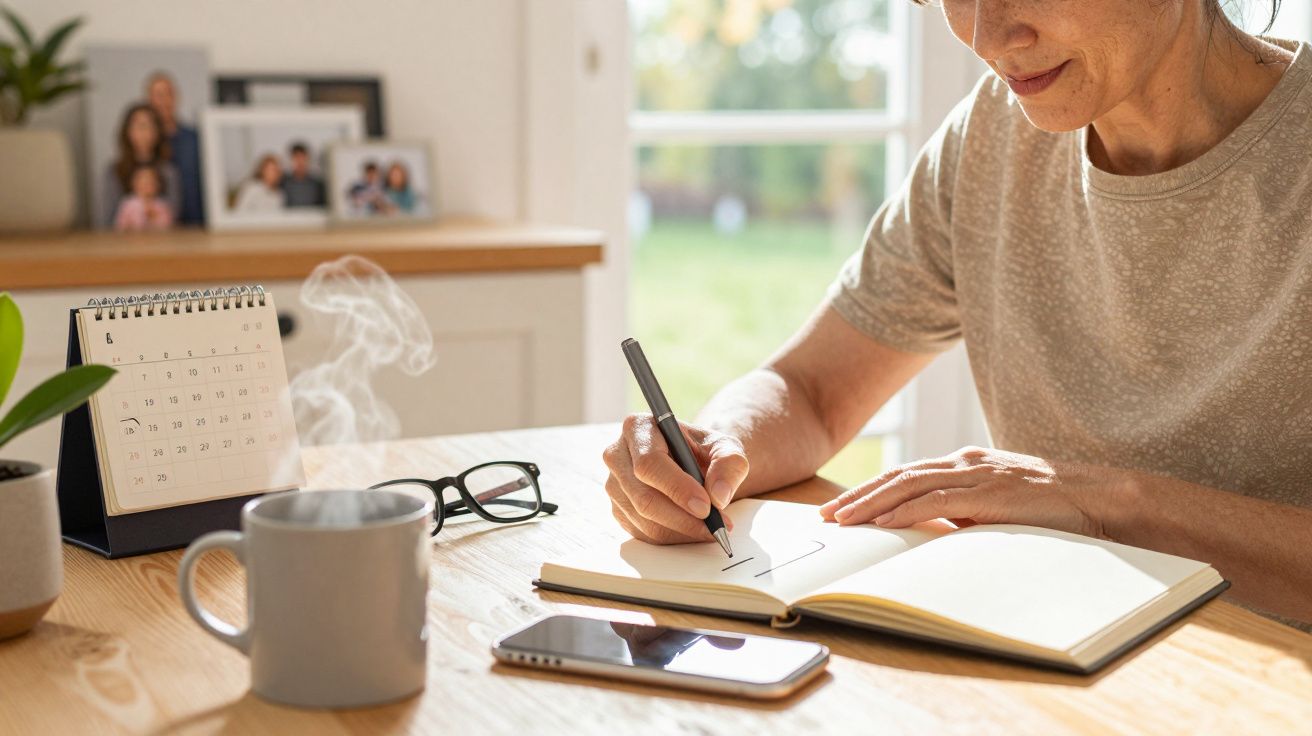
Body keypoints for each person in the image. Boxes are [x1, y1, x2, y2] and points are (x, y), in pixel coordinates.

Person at [602, 0, 1312, 630]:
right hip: (1057, 662)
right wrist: (713, 451)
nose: (986, 33)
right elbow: (813, 390)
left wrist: (1109, 506)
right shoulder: (992, 139)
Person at [101, 104, 180, 229]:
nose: (145, 132)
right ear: (127, 131)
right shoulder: (113, 171)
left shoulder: (168, 171)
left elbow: (174, 216)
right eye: (140, 126)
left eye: (150, 126)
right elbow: (106, 219)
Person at [145, 71, 205, 226]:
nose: (164, 100)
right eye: (158, 95)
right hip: (157, 229)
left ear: (176, 97)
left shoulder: (194, 138)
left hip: (194, 224)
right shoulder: (143, 143)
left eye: (168, 94)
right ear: (149, 100)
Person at [112, 164, 173, 232]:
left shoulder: (161, 205)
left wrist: (154, 218)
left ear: (158, 185)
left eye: (151, 183)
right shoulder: (128, 204)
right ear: (134, 184)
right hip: (132, 240)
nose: (146, 186)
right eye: (143, 183)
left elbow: (168, 225)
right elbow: (119, 225)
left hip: (156, 239)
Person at [282, 141, 326, 208]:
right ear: (291, 160)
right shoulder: (284, 182)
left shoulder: (318, 184)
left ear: (308, 159)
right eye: (296, 158)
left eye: (303, 158)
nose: (300, 162)